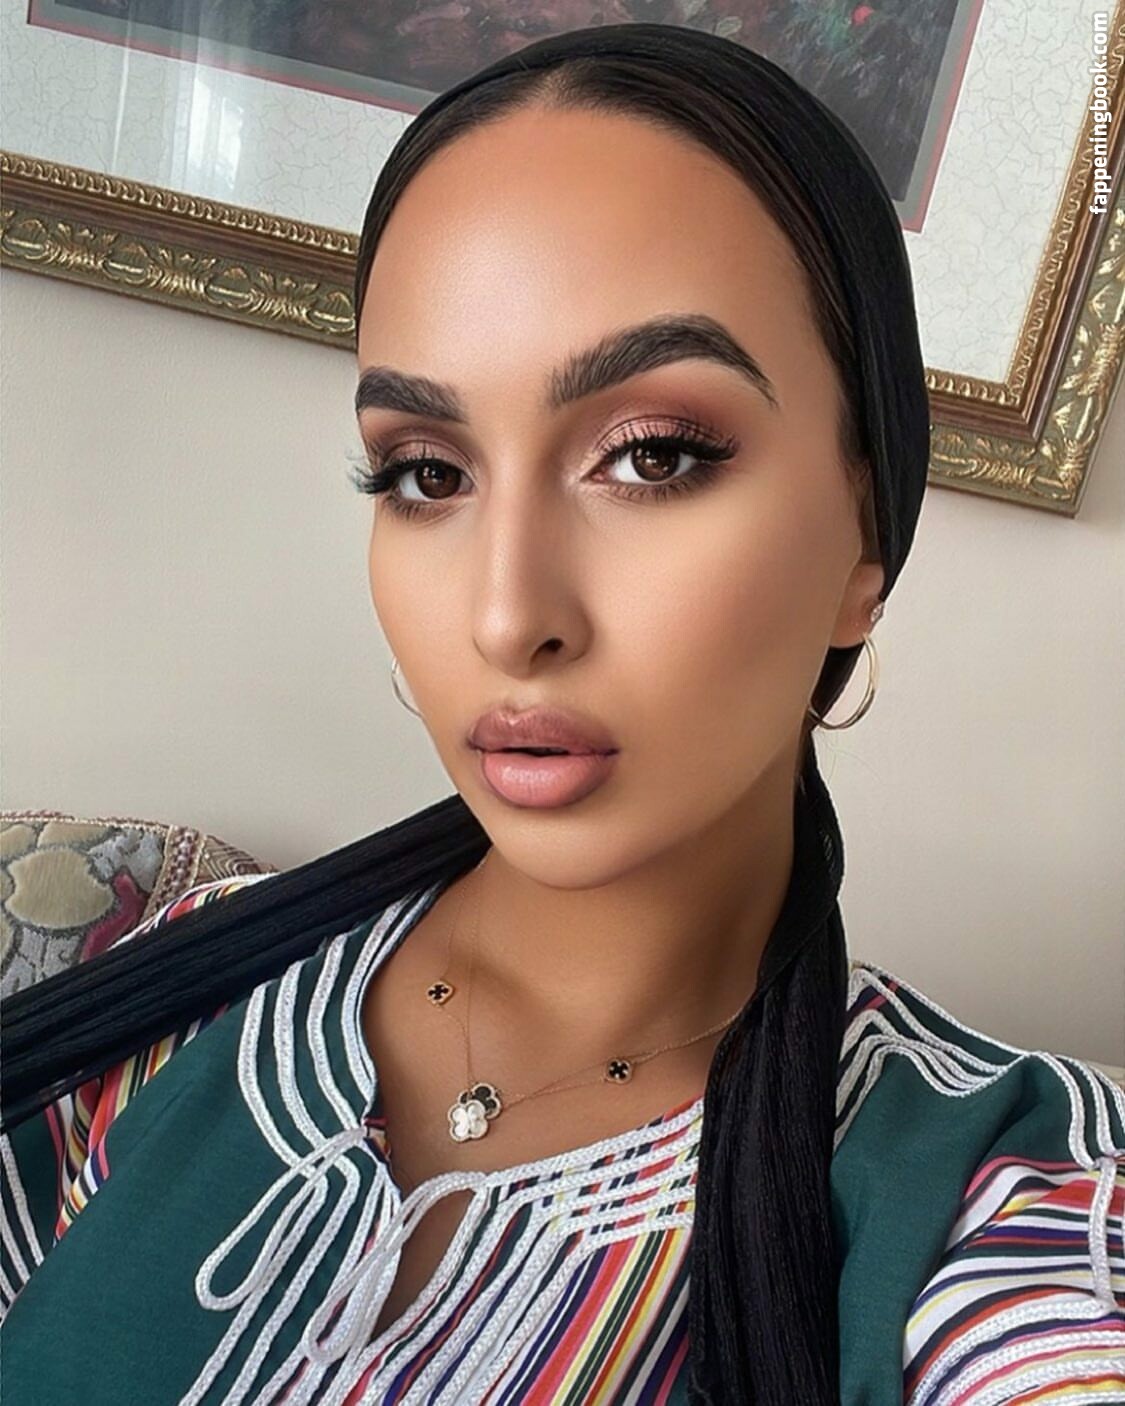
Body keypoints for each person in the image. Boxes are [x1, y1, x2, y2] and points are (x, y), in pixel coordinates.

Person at [1, 22, 1122, 1406]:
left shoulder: (991, 1193)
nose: (503, 615)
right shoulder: (173, 989)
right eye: (426, 472)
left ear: (863, 539)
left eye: (652, 456)